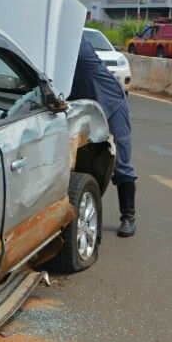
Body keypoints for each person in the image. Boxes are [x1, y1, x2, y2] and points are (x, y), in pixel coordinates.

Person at [69, 37, 137, 237]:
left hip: (111, 104)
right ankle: (87, 218)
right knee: (83, 165)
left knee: (121, 164)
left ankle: (128, 217)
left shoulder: (77, 45)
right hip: (83, 109)